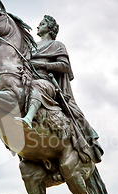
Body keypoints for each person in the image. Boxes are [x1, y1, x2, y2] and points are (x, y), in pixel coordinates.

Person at [15, 15, 103, 164]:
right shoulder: (31, 47)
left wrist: (43, 65)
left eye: (42, 24)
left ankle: (28, 118)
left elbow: (65, 66)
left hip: (46, 83)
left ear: (49, 28)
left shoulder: (57, 45)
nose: (37, 26)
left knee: (37, 86)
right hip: (27, 80)